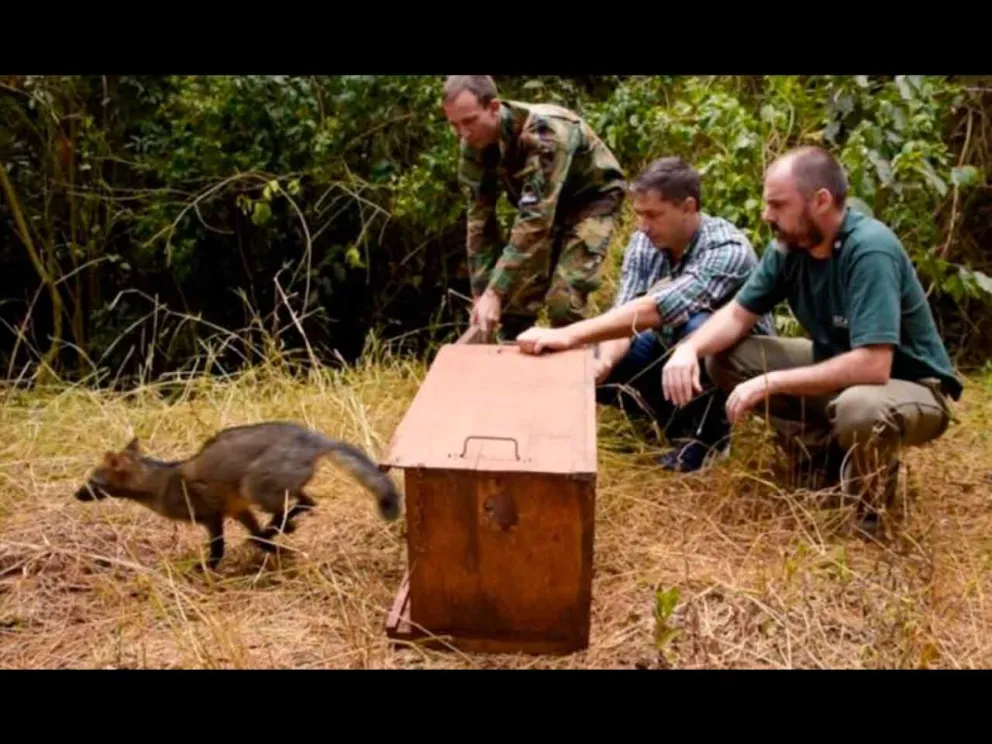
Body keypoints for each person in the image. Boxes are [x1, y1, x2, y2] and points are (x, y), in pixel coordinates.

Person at [662, 145, 963, 521]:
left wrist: (770, 382)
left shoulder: (869, 250)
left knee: (860, 408)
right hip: (838, 364)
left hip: (909, 384)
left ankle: (868, 510)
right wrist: (687, 350)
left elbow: (874, 365)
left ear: (821, 200)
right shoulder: (790, 248)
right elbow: (738, 315)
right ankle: (823, 459)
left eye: (777, 204)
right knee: (723, 356)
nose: (765, 214)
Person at [516, 157, 774, 472]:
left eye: (653, 215)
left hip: (732, 362)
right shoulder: (646, 242)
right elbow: (627, 312)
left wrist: (566, 333)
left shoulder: (726, 249)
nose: (643, 226)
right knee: (588, 361)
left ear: (688, 207)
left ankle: (710, 438)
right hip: (670, 348)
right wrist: (602, 364)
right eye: (639, 214)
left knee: (695, 327)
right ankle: (669, 417)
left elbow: (659, 308)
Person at [442, 75, 627, 340]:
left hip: (591, 201)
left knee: (564, 302)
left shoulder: (546, 133)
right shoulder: (473, 145)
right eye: (455, 125)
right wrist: (482, 294)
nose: (464, 133)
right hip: (543, 208)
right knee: (514, 304)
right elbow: (479, 220)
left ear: (494, 107)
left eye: (470, 121)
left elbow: (536, 219)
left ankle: (578, 372)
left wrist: (495, 292)